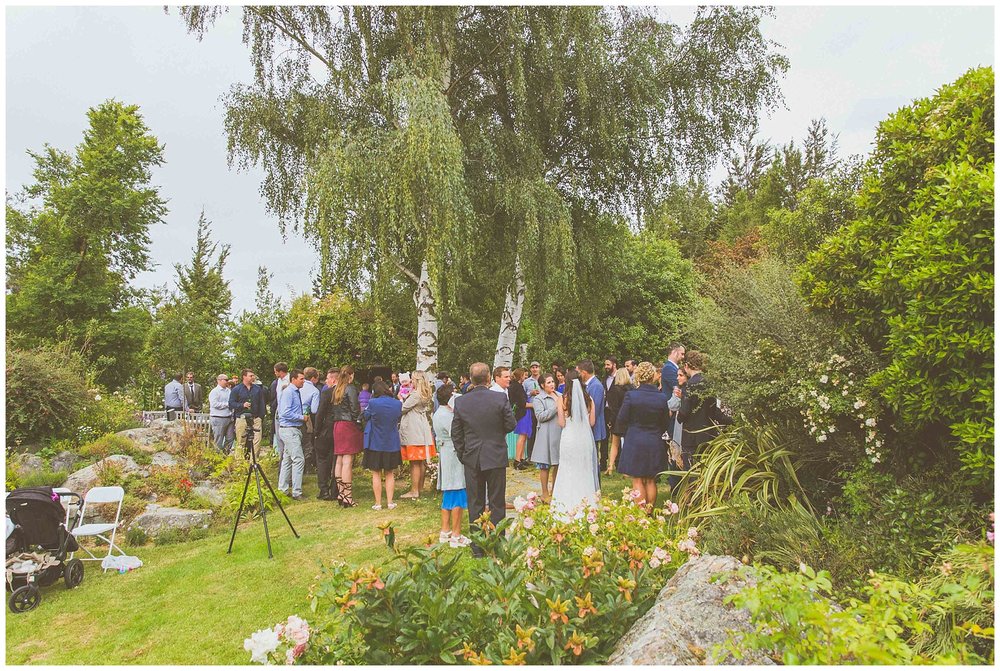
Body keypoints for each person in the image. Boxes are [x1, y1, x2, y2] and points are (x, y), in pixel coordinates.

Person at [452, 362, 516, 558]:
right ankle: (498, 542)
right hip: (494, 454)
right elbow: (511, 424)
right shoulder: (499, 398)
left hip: (473, 456)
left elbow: (456, 432)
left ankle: (478, 547)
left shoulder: (462, 401)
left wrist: (463, 454)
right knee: (497, 502)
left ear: (471, 379)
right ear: (489, 378)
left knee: (475, 502)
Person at [614, 362, 670, 509]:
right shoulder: (662, 397)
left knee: (638, 479)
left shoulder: (631, 396)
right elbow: (666, 422)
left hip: (635, 439)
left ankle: (641, 513)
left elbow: (621, 418)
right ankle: (650, 512)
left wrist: (631, 428)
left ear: (638, 375)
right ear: (653, 376)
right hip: (654, 439)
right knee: (650, 479)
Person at [550, 369, 599, 519]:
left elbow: (561, 423)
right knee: (584, 469)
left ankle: (566, 506)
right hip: (584, 439)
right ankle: (587, 505)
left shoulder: (562, 399)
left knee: (567, 469)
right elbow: (592, 422)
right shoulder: (589, 399)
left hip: (569, 439)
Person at [676, 351, 732, 472]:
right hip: (708, 434)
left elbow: (684, 412)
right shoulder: (709, 383)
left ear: (686, 365)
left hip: (691, 436)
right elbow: (715, 411)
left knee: (691, 472)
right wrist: (732, 421)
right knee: (706, 471)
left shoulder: (689, 385)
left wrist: (679, 417)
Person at [433, 384, 471, 547]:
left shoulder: (439, 413)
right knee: (457, 491)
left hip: (446, 453)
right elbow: (456, 434)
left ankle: (445, 530)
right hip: (453, 455)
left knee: (449, 493)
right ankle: (456, 534)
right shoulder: (447, 415)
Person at [362, 381, 403, 510]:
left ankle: (378, 503)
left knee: (376, 473)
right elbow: (398, 417)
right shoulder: (397, 403)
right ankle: (390, 502)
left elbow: (366, 415)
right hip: (391, 442)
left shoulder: (373, 403)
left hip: (376, 442)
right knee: (390, 473)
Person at [398, 370, 436, 499]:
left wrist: (400, 399)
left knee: (415, 461)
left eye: (413, 379)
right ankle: (419, 488)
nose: (411, 381)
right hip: (422, 427)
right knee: (420, 461)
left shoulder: (415, 395)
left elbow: (402, 408)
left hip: (414, 429)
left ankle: (414, 490)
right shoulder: (425, 393)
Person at [330, 365, 363, 507]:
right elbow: (355, 409)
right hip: (348, 425)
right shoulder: (350, 389)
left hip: (337, 425)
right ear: (351, 375)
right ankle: (347, 495)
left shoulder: (336, 389)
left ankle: (341, 492)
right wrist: (359, 423)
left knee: (339, 459)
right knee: (348, 460)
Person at [276, 369, 307, 499]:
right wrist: (301, 417)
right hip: (289, 429)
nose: (303, 381)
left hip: (291, 429)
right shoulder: (289, 392)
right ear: (293, 379)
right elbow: (284, 413)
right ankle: (297, 492)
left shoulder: (295, 391)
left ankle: (282, 489)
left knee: (287, 460)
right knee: (299, 459)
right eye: (301, 379)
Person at [531, 373, 562, 502]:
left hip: (559, 433)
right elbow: (540, 416)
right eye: (548, 382)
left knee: (558, 464)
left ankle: (555, 491)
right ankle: (544, 493)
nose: (552, 384)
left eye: (552, 382)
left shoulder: (560, 396)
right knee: (545, 465)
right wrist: (556, 407)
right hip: (546, 435)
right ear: (543, 385)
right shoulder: (539, 399)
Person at [577, 360, 605, 488]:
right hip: (586, 428)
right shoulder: (587, 385)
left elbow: (595, 409)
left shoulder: (596, 386)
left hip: (593, 428)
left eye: (578, 372)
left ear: (584, 372)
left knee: (593, 460)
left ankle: (595, 487)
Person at [230, 369, 266, 457]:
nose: (253, 377)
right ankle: (239, 464)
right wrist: (242, 405)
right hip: (242, 418)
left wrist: (261, 417)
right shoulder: (236, 389)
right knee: (241, 441)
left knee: (257, 441)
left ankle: (253, 462)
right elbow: (231, 403)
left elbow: (262, 403)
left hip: (255, 418)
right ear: (244, 377)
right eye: (250, 376)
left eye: (253, 376)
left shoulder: (257, 389)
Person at [605, 367, 632, 475]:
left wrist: (611, 421)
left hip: (617, 420)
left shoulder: (615, 389)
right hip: (629, 420)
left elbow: (613, 408)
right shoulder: (632, 389)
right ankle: (627, 469)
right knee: (627, 445)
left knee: (614, 444)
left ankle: (611, 466)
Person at [666, 368, 688, 491]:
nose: (678, 378)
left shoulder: (688, 390)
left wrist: (682, 397)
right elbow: (672, 405)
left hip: (686, 424)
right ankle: (675, 485)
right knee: (675, 454)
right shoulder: (677, 389)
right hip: (677, 424)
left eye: (681, 375)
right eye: (677, 375)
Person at [300, 367, 322, 472]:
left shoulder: (297, 386)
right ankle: (307, 467)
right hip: (305, 417)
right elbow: (314, 410)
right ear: (313, 378)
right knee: (307, 443)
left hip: (293, 416)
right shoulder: (314, 390)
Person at [269, 362, 291, 462]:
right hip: (279, 409)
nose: (275, 374)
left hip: (287, 410)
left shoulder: (290, 380)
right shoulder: (278, 381)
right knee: (278, 435)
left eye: (275, 372)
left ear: (280, 371)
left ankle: (287, 458)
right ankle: (281, 458)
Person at [511, 368, 532, 470]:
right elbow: (522, 403)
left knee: (524, 436)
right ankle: (517, 460)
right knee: (522, 436)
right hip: (522, 413)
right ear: (520, 376)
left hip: (524, 413)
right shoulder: (517, 387)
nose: (525, 377)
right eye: (524, 375)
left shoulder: (517, 386)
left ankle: (521, 458)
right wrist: (534, 405)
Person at [208, 374, 234, 453]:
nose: (227, 381)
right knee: (218, 439)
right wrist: (227, 404)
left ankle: (225, 456)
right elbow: (214, 404)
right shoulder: (214, 392)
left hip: (229, 417)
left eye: (227, 380)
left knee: (230, 438)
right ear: (219, 380)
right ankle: (217, 457)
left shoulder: (229, 391)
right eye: (225, 380)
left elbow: (232, 402)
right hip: (218, 417)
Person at [525, 361, 542, 463]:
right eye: (533, 367)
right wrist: (530, 393)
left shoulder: (543, 379)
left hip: (542, 409)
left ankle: (540, 455)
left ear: (539, 368)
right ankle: (530, 455)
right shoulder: (526, 382)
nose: (535, 369)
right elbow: (522, 395)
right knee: (531, 433)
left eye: (536, 367)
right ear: (530, 369)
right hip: (531, 409)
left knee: (541, 432)